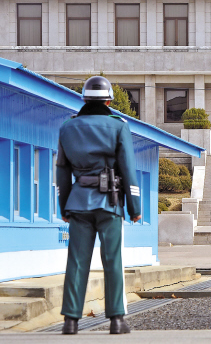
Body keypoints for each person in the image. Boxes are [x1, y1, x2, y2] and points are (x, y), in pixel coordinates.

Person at [57, 76, 142, 335]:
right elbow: (128, 168)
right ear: (108, 100)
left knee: (77, 262)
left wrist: (64, 207)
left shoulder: (67, 127)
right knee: (112, 260)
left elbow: (62, 171)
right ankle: (117, 320)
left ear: (84, 99)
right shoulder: (118, 126)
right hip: (109, 202)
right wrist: (135, 208)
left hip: (78, 203)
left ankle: (70, 321)